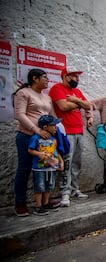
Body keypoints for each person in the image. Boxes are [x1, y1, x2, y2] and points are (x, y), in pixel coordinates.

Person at [13, 68, 57, 217]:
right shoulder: (23, 93)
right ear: (34, 78)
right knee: (24, 169)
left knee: (46, 170)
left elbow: (52, 116)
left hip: (45, 140)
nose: (47, 80)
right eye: (44, 77)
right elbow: (19, 114)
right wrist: (36, 130)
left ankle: (45, 202)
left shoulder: (46, 97)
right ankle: (20, 204)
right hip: (27, 136)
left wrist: (55, 131)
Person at [49, 66, 94, 207]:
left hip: (78, 130)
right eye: (74, 76)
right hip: (65, 131)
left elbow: (88, 106)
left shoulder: (76, 92)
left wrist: (75, 100)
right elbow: (62, 107)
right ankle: (65, 192)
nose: (77, 79)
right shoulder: (57, 89)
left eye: (78, 76)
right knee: (67, 162)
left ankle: (75, 189)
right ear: (65, 76)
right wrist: (78, 103)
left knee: (76, 162)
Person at [28, 115, 64, 215]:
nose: (56, 128)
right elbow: (30, 150)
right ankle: (38, 206)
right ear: (45, 127)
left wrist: (61, 161)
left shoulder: (53, 138)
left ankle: (46, 203)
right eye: (53, 125)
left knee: (49, 186)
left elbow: (56, 151)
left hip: (51, 167)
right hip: (39, 168)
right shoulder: (36, 138)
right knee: (39, 186)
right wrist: (39, 154)